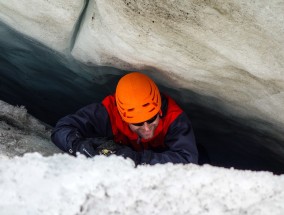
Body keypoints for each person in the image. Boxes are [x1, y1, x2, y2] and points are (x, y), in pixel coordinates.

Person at [51, 72, 198, 166]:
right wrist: (78, 145)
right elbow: (62, 129)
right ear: (123, 117)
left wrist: (137, 159)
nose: (147, 128)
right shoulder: (107, 113)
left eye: (152, 119)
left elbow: (188, 160)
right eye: (138, 123)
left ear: (159, 111)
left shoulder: (174, 119)